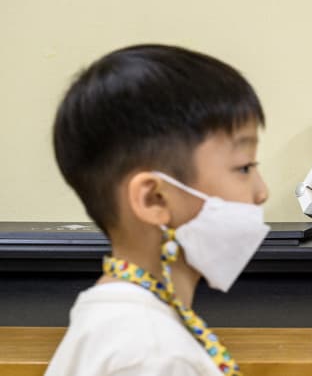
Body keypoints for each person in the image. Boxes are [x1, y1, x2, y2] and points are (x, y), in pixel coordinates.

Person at [47, 44, 270, 376]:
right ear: (155, 199)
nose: (261, 192)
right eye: (243, 167)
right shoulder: (154, 355)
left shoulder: (117, 322)